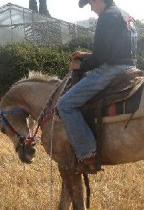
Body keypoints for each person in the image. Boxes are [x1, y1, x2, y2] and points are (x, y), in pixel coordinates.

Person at [57, 0, 137, 172]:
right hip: (130, 67)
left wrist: (81, 66)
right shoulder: (124, 14)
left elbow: (102, 57)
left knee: (65, 104)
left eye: (91, 4)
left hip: (112, 69)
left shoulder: (106, 17)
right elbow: (114, 49)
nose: (91, 9)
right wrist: (87, 55)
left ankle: (88, 153)